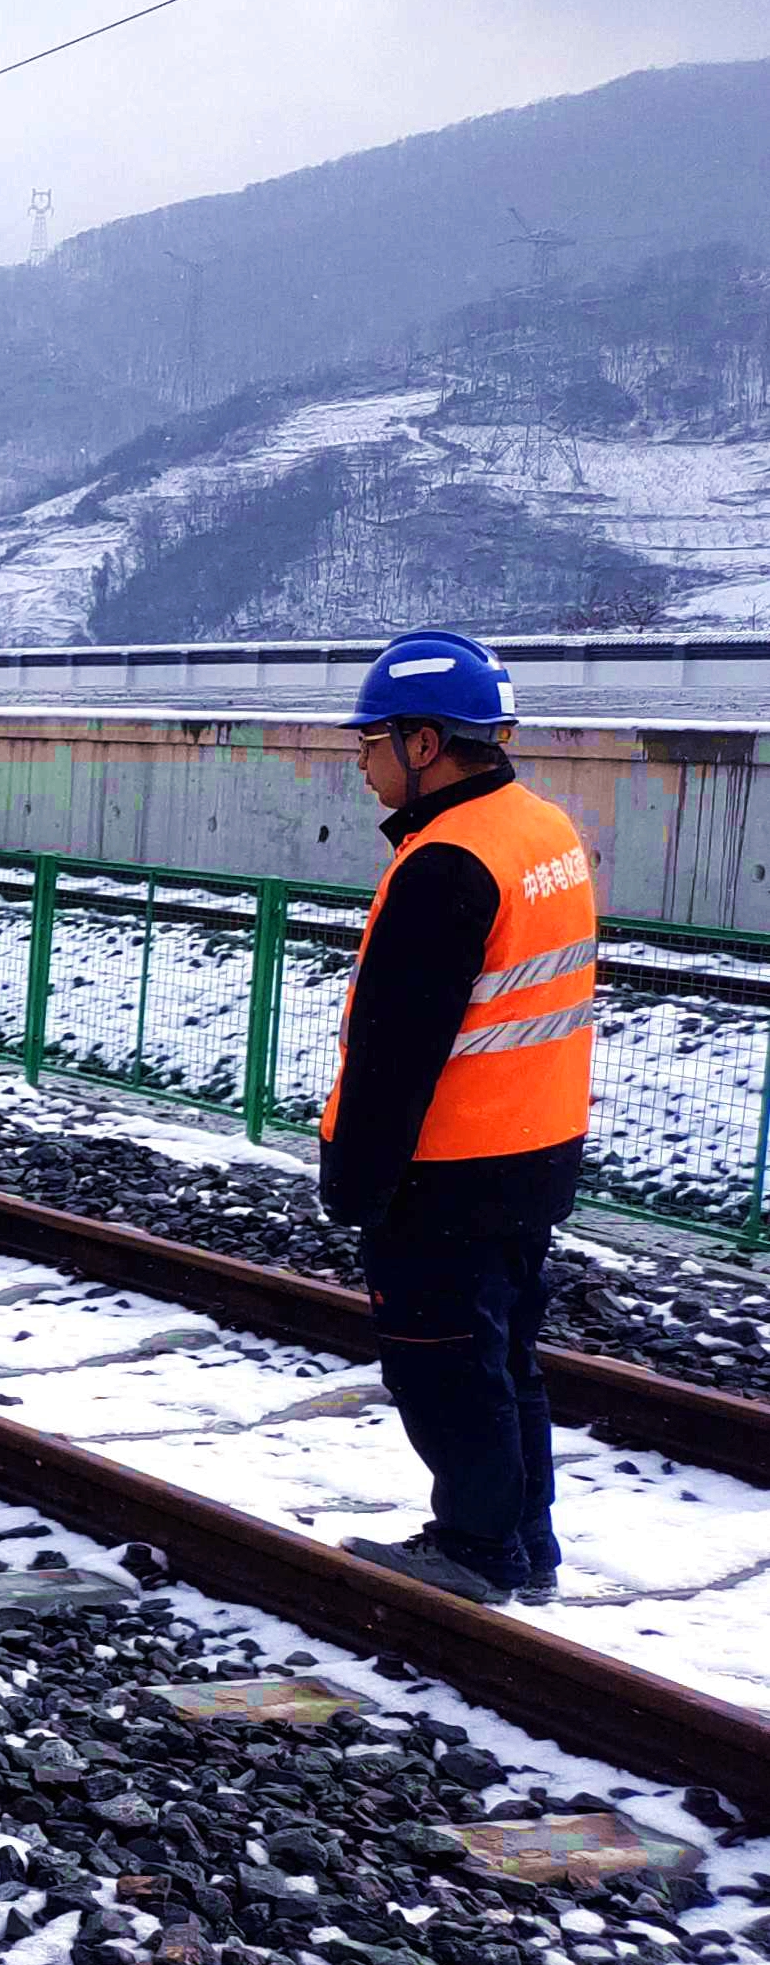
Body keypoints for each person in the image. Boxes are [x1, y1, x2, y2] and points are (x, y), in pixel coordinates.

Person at [320, 630, 596, 1606]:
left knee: (441, 1367)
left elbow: (396, 1053)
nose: (360, 758)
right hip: (533, 1152)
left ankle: (475, 1549)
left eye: (370, 741)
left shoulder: (444, 863)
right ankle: (526, 1540)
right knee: (506, 1356)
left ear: (424, 742)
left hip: (449, 1167)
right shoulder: (539, 829)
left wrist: (354, 1181)